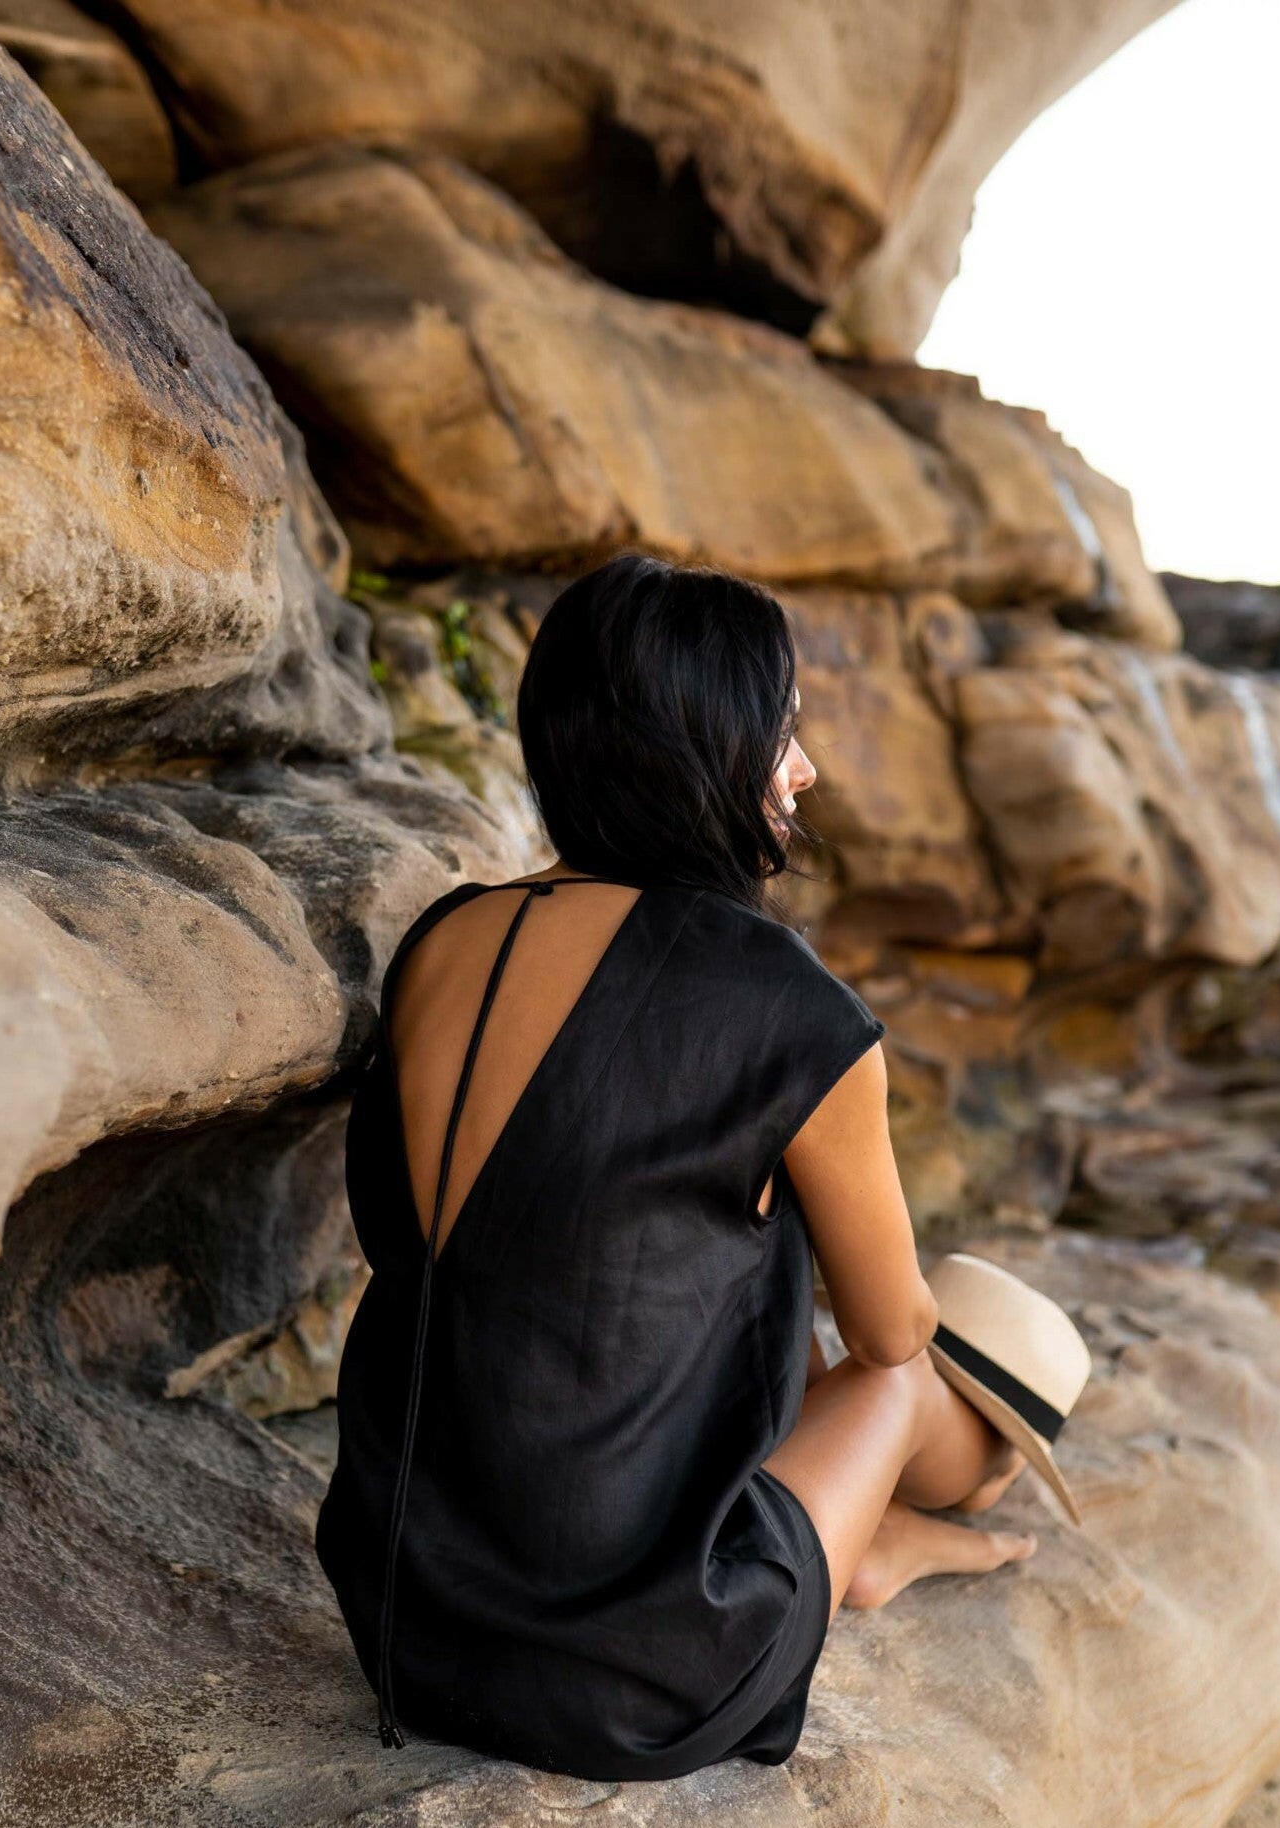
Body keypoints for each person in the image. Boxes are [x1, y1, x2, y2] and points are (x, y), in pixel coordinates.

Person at [315, 552, 1037, 1780]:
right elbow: (888, 1333)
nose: (802, 768)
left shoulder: (443, 942)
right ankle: (959, 1504)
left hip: (409, 1625)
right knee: (913, 1383)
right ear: (700, 743)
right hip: (638, 1671)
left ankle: (886, 1531)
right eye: (782, 731)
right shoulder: (787, 1007)